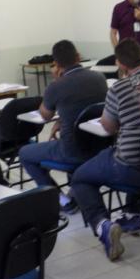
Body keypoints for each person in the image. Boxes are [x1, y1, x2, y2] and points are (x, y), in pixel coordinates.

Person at [70, 38, 140, 262]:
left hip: (135, 169)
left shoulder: (120, 88)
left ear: (120, 64)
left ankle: (103, 225)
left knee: (80, 177)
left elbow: (109, 126)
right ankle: (131, 215)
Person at [18, 40, 108, 211]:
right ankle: (76, 191)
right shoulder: (99, 78)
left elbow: (45, 115)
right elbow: (87, 109)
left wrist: (56, 82)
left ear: (56, 64)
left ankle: (62, 201)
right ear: (78, 56)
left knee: (24, 153)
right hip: (99, 147)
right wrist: (61, 120)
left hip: (71, 150)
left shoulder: (56, 86)